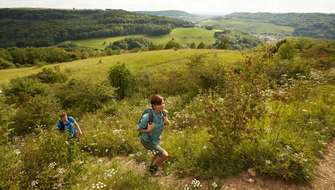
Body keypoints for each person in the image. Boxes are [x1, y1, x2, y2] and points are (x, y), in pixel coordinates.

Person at [138, 95, 170, 175]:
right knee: (164, 155)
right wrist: (148, 130)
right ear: (154, 106)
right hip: (147, 140)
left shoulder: (163, 114)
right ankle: (152, 171)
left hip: (155, 140)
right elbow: (138, 129)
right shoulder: (148, 117)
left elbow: (167, 123)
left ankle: (150, 172)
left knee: (157, 154)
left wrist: (166, 121)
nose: (163, 105)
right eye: (160, 104)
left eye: (163, 103)